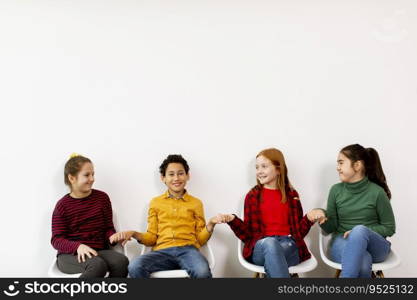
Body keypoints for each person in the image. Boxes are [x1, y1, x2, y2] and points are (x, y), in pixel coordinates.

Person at [218, 148, 324, 278]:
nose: (259, 171)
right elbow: (247, 235)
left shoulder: (291, 195)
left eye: (264, 166)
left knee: (276, 256)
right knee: (270, 244)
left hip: (288, 245)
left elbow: (299, 233)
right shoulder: (252, 196)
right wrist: (232, 220)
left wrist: (308, 219)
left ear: (279, 169)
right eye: (257, 167)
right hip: (261, 247)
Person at [112, 154, 221, 278]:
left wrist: (211, 224)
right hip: (162, 252)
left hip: (188, 251)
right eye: (171, 174)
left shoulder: (196, 203)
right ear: (163, 178)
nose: (176, 178)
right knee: (135, 266)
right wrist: (133, 233)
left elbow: (200, 240)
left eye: (180, 173)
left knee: (202, 271)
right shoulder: (156, 202)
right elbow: (151, 238)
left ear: (187, 176)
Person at [319, 144, 396, 278]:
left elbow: (389, 228)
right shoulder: (336, 190)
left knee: (359, 230)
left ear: (357, 165)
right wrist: (322, 218)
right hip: (342, 243)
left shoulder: (377, 193)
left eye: (341, 163)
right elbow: (332, 227)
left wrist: (361, 232)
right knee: (363, 261)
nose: (338, 168)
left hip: (375, 248)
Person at [51, 154, 129, 278]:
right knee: (97, 265)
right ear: (72, 178)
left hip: (97, 251)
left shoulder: (102, 198)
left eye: (93, 174)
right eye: (87, 175)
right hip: (70, 255)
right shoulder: (62, 206)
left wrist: (113, 237)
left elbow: (108, 228)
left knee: (121, 261)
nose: (92, 178)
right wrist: (78, 246)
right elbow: (56, 240)